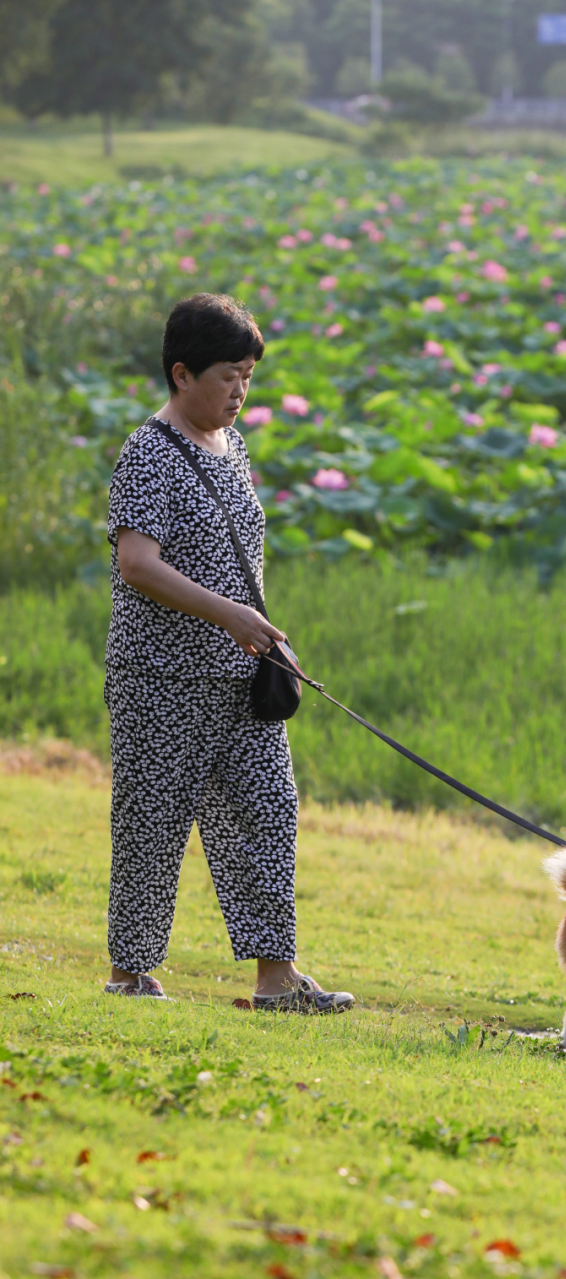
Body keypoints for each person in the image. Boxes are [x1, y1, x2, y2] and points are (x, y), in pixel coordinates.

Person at [103, 292, 353, 1012]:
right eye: (226, 376)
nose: (240, 391)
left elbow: (237, 560)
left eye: (248, 375)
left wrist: (265, 635)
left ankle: (277, 978)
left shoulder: (232, 445)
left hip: (240, 673)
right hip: (160, 676)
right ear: (181, 375)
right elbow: (137, 565)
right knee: (153, 822)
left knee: (268, 812)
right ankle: (130, 973)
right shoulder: (149, 453)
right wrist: (230, 616)